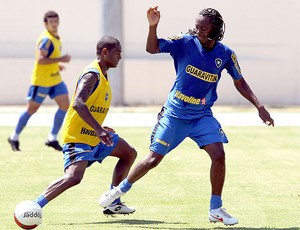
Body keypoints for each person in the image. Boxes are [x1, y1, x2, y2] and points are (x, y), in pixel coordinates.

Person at [99, 6, 274, 226]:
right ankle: (117, 191)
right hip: (175, 115)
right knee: (153, 160)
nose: (198, 30)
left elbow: (240, 81)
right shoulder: (184, 42)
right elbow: (152, 48)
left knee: (219, 155)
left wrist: (259, 106)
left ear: (216, 30)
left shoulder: (226, 54)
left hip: (202, 115)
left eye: (203, 28)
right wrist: (153, 26)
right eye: (197, 26)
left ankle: (215, 208)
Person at [32, 36, 137, 216]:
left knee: (128, 153)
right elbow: (78, 103)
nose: (120, 57)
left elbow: (92, 107)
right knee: (74, 177)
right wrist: (98, 128)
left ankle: (113, 201)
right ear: (105, 52)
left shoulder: (103, 74)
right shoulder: (92, 74)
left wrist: (101, 128)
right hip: (77, 137)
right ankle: (35, 205)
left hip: (96, 137)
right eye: (117, 53)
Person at [8, 10, 71, 151]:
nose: (54, 24)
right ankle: (14, 136)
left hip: (55, 79)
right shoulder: (46, 39)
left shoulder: (56, 37)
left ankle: (52, 137)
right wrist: (61, 59)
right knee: (32, 109)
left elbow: (49, 58)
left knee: (65, 105)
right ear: (45, 24)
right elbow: (41, 60)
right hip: (41, 82)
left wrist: (57, 65)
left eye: (56, 21)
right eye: (51, 22)